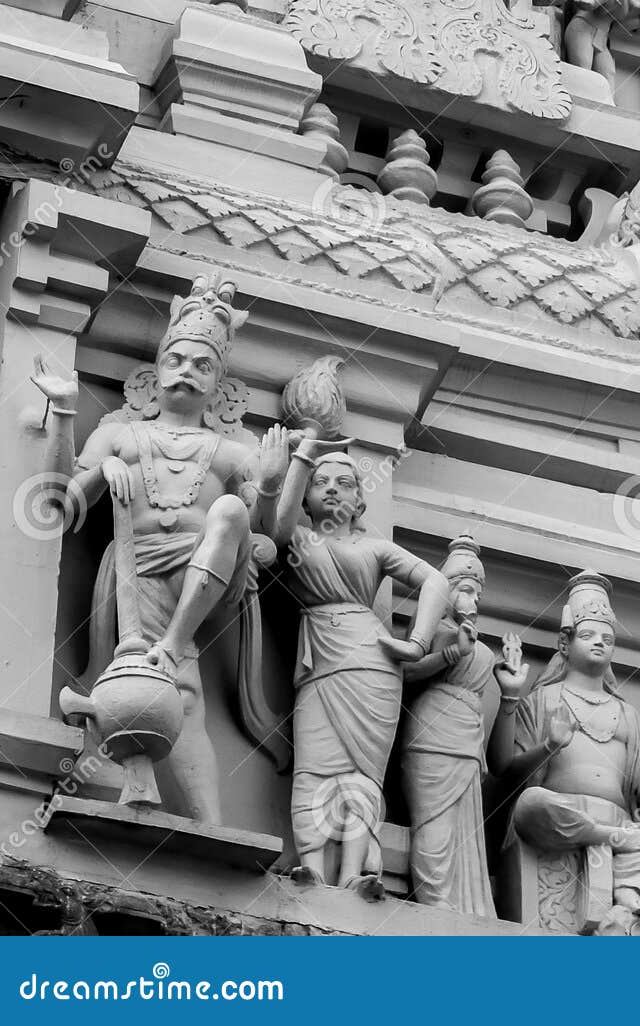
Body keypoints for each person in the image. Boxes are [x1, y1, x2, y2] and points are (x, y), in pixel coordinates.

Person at [32, 276, 281, 824]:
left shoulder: (231, 451)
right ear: (157, 368)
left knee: (231, 511)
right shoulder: (120, 435)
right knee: (172, 693)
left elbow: (262, 534)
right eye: (177, 358)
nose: (187, 370)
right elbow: (62, 503)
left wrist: (270, 481)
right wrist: (78, 430)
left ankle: (171, 645)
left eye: (202, 364)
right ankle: (160, 801)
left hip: (207, 572)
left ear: (218, 383)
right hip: (132, 568)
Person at [257, 430, 449, 897]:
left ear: (360, 500)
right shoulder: (300, 539)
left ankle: (351, 873)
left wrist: (418, 642)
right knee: (313, 768)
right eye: (322, 482)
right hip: (321, 660)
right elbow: (274, 531)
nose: (333, 489)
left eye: (345, 483)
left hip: (373, 664)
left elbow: (436, 582)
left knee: (360, 775)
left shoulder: (374, 549)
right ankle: (314, 868)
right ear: (305, 496)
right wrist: (303, 457)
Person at [490, 572, 640, 930]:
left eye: (608, 638)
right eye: (588, 635)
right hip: (562, 816)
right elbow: (503, 769)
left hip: (622, 822)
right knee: (532, 803)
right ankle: (612, 846)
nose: (600, 643)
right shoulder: (544, 700)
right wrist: (545, 739)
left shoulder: (629, 716)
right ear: (565, 643)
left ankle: (627, 882)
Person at [399, 534, 497, 916]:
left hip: (469, 738)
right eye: (467, 591)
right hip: (431, 733)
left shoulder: (473, 638)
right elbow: (406, 672)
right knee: (434, 828)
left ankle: (467, 910)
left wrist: (510, 695)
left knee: (465, 831)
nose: (473, 602)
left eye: (478, 595)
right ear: (448, 590)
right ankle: (436, 904)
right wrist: (452, 652)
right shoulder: (434, 629)